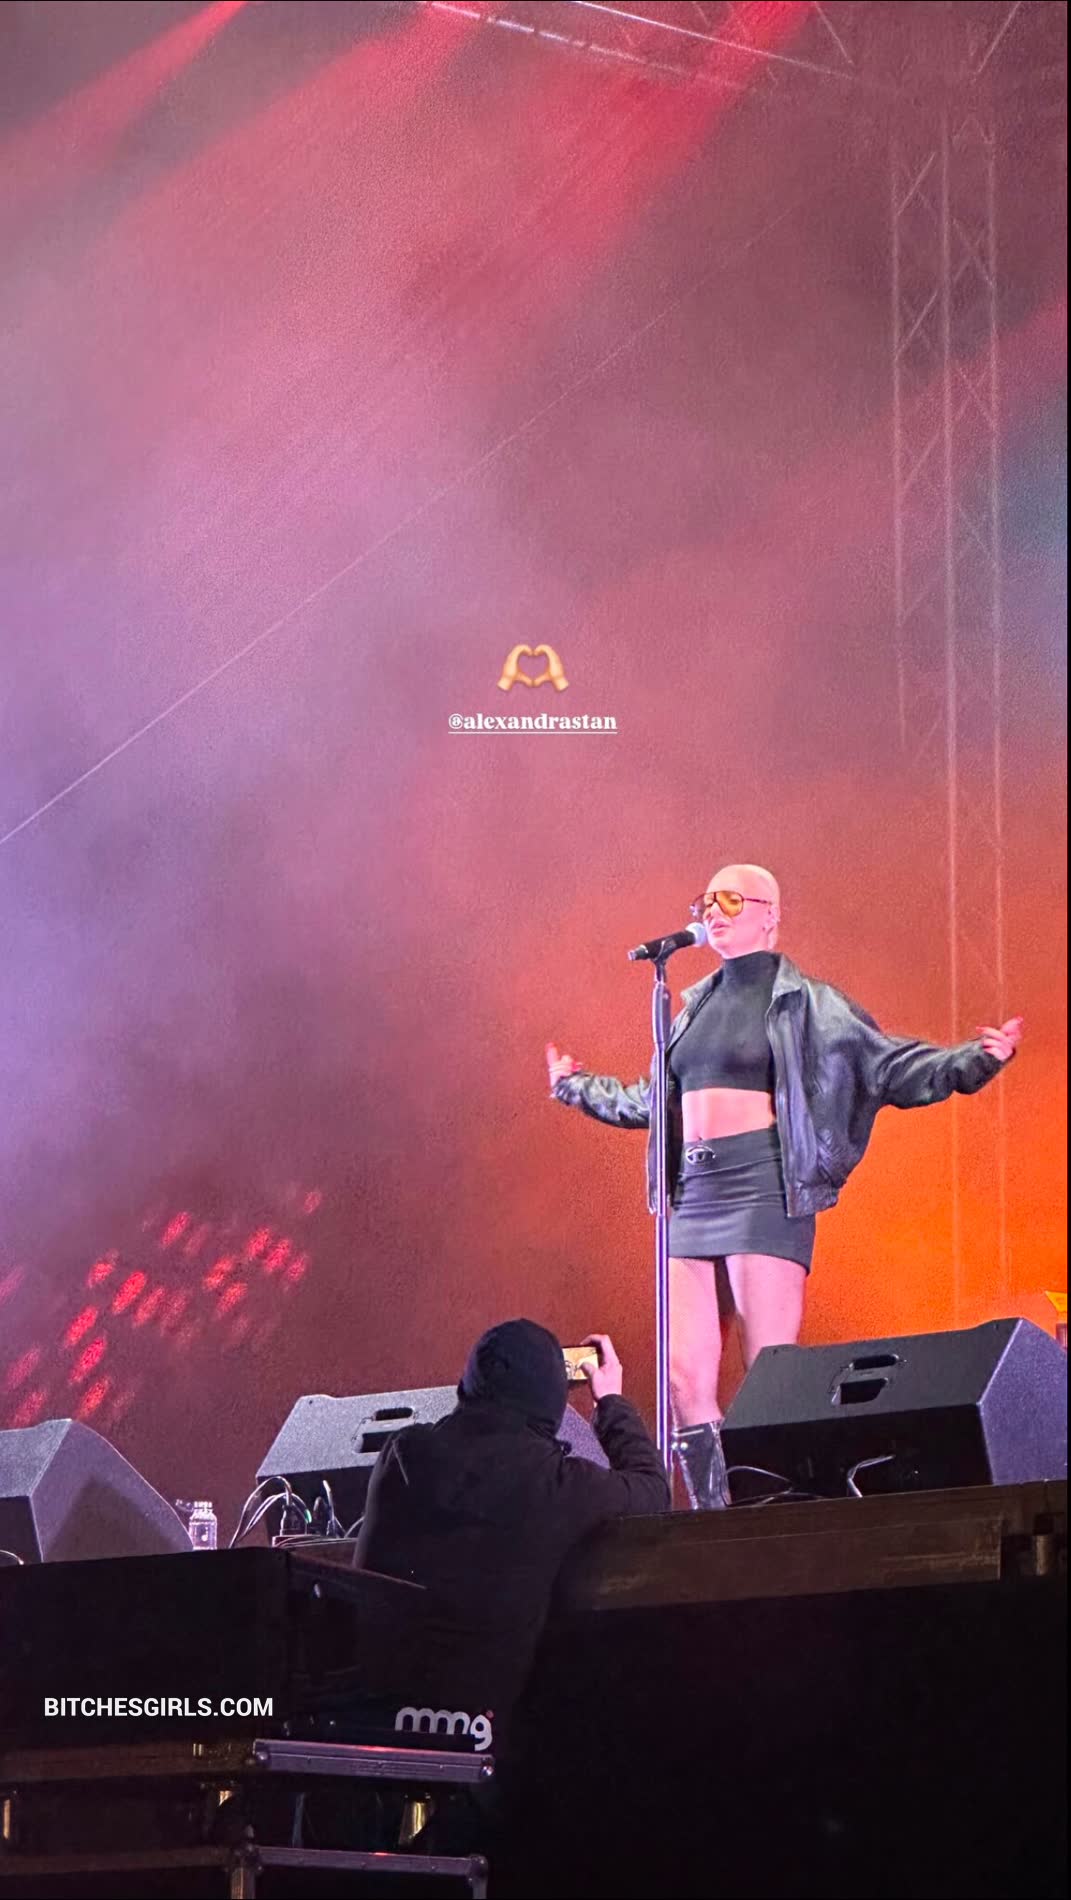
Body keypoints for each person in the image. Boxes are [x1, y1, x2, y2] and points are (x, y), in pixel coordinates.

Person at [547, 862, 1023, 1510]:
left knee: (766, 1372)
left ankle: (765, 1514)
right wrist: (574, 1087)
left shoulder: (807, 1002)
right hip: (691, 1192)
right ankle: (716, 1517)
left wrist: (972, 1061)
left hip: (763, 1185)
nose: (713, 911)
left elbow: (887, 1063)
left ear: (769, 915)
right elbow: (649, 1103)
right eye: (706, 901)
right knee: (684, 1380)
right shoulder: (691, 1008)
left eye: (730, 899)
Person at [353, 1318, 669, 1758]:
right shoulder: (555, 1483)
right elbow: (652, 1489)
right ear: (551, 1398)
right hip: (478, 1747)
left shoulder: (404, 1452)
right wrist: (610, 1401)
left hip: (367, 1729)